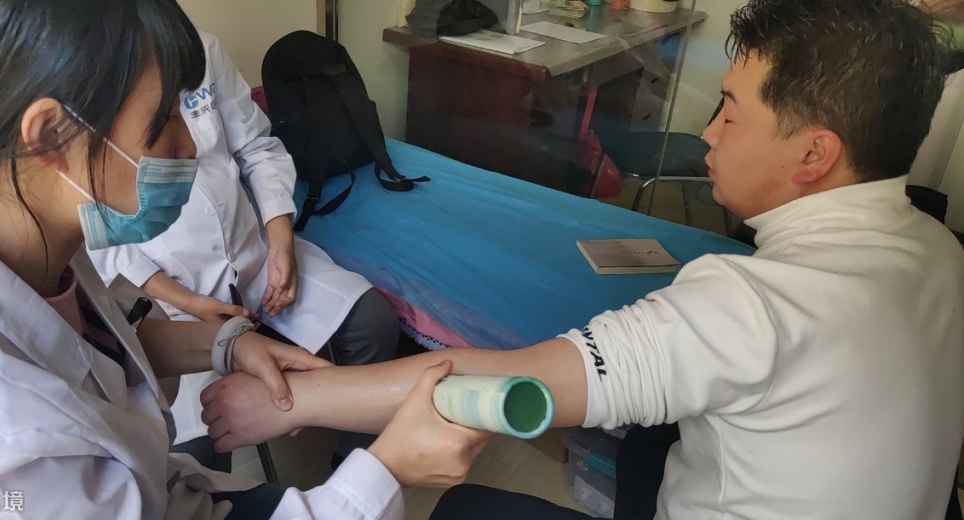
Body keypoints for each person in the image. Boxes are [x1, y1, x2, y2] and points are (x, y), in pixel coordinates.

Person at [201, 1, 964, 518]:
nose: (709, 133)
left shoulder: (752, 303)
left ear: (815, 154)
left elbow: (511, 378)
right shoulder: (938, 247)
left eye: (731, 112)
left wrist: (294, 400)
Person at [0, 1, 486, 519]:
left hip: (185, 432)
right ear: (48, 136)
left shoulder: (19, 229)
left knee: (367, 320)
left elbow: (92, 344)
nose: (191, 145)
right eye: (165, 119)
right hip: (167, 443)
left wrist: (227, 343)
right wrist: (385, 471)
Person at [87, 29, 399, 472]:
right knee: (198, 451)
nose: (189, 147)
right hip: (171, 298)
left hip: (254, 256)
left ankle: (353, 458)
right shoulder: (78, 79)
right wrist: (188, 301)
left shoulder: (200, 47)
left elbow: (257, 147)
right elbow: (99, 233)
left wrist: (280, 239)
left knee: (372, 322)